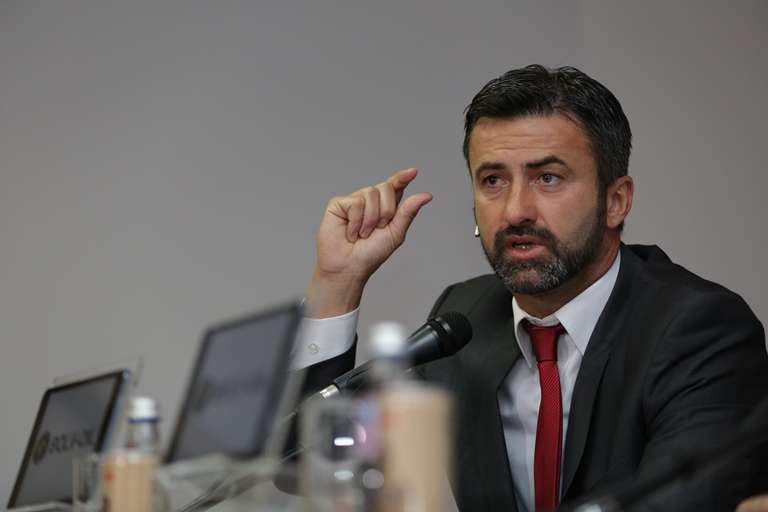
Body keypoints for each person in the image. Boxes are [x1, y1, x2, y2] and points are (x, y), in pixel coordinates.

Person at [292, 65, 768, 511]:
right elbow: (311, 466)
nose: (516, 210)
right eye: (493, 180)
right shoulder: (466, 317)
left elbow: (684, 502)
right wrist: (338, 283)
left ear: (616, 201)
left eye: (548, 178)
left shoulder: (698, 329)